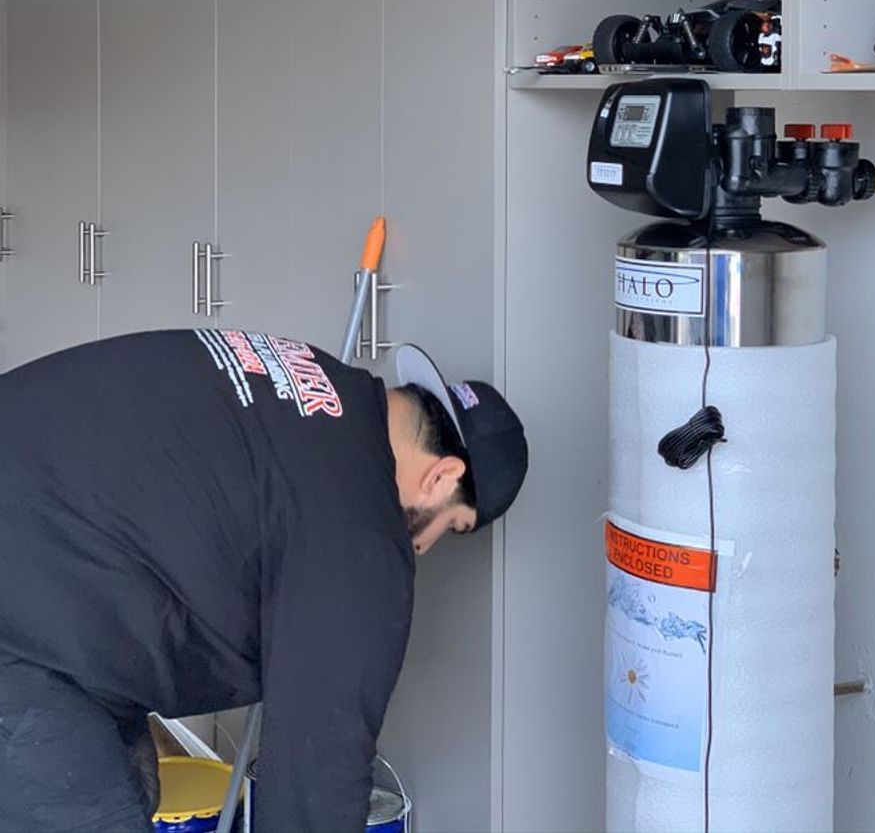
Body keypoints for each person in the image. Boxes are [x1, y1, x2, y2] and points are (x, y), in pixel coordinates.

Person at [0, 330, 528, 832]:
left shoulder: (309, 376)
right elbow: (318, 768)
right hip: (30, 629)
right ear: (441, 477)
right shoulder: (361, 526)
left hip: (61, 597)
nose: (421, 546)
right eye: (446, 527)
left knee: (132, 783)